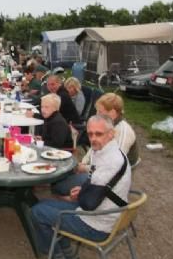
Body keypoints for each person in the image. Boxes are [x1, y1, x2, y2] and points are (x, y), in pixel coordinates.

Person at [32, 115, 131, 258]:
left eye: (99, 134)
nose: (93, 138)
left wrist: (82, 194)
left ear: (111, 134)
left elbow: (88, 203)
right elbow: (99, 184)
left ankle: (56, 255)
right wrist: (84, 190)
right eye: (90, 134)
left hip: (97, 224)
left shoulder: (111, 161)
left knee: (37, 212)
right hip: (103, 211)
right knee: (43, 203)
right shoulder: (109, 151)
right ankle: (67, 252)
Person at [51, 93, 137, 196]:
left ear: (113, 113)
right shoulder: (106, 125)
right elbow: (93, 149)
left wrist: (85, 168)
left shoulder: (123, 132)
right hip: (96, 169)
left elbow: (112, 168)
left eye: (100, 111)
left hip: (109, 179)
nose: (96, 114)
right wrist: (83, 163)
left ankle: (76, 203)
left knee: (58, 186)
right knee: (60, 176)